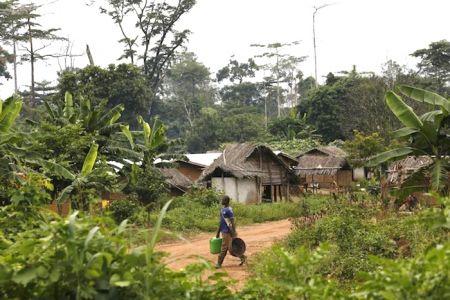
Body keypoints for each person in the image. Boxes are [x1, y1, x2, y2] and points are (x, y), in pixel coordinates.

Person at [215, 195, 246, 268]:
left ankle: (219, 264)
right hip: (224, 231)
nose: (221, 201)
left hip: (228, 232)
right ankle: (242, 257)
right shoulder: (222, 210)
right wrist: (218, 232)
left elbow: (232, 222)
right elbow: (221, 222)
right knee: (230, 248)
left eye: (222, 200)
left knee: (225, 248)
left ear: (226, 201)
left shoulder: (229, 210)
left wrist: (233, 232)